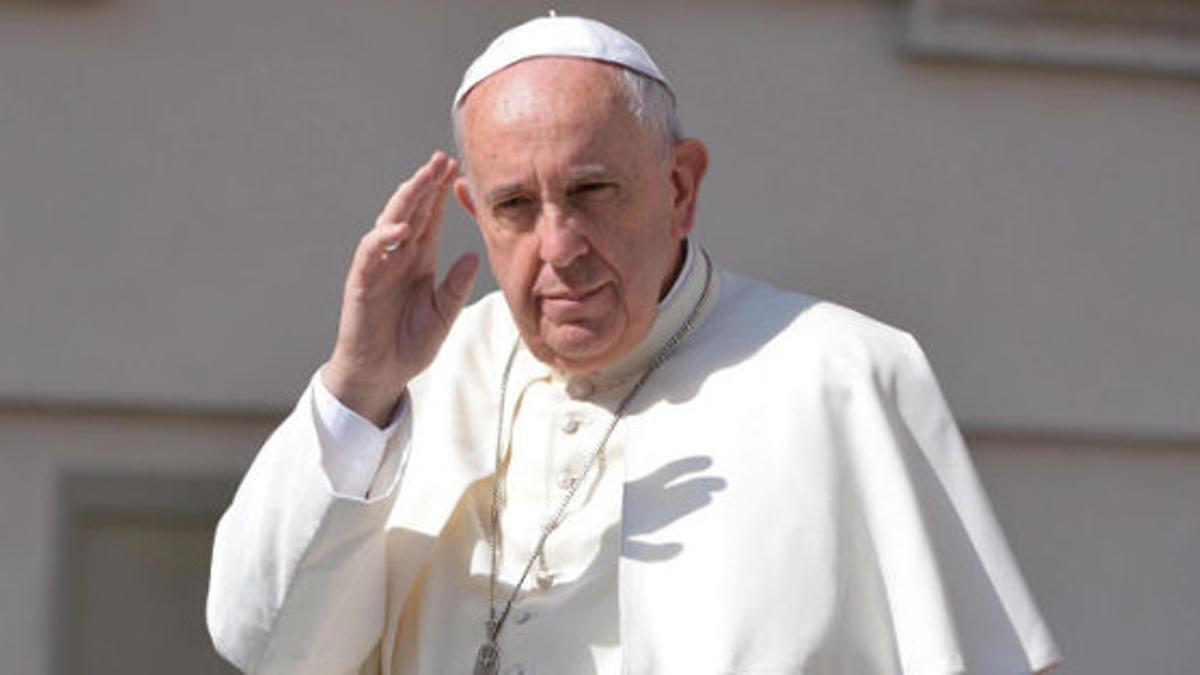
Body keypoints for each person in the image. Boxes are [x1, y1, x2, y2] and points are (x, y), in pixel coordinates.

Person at [207, 14, 1061, 675]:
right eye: (515, 207)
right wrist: (359, 388)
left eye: (593, 190)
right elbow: (271, 645)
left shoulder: (844, 373)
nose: (559, 245)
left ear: (680, 186)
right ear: (474, 212)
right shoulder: (410, 390)